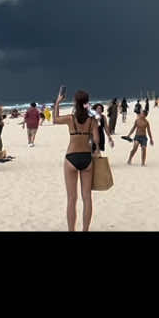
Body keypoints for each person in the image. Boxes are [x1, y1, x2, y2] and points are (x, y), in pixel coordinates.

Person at [53, 88, 98, 233]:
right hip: (86, 158)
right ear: (86, 103)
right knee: (87, 198)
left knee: (72, 199)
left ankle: (71, 230)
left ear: (75, 102)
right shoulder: (92, 121)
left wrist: (58, 102)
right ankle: (85, 229)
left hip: (71, 157)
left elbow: (54, 119)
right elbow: (96, 141)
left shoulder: (70, 119)